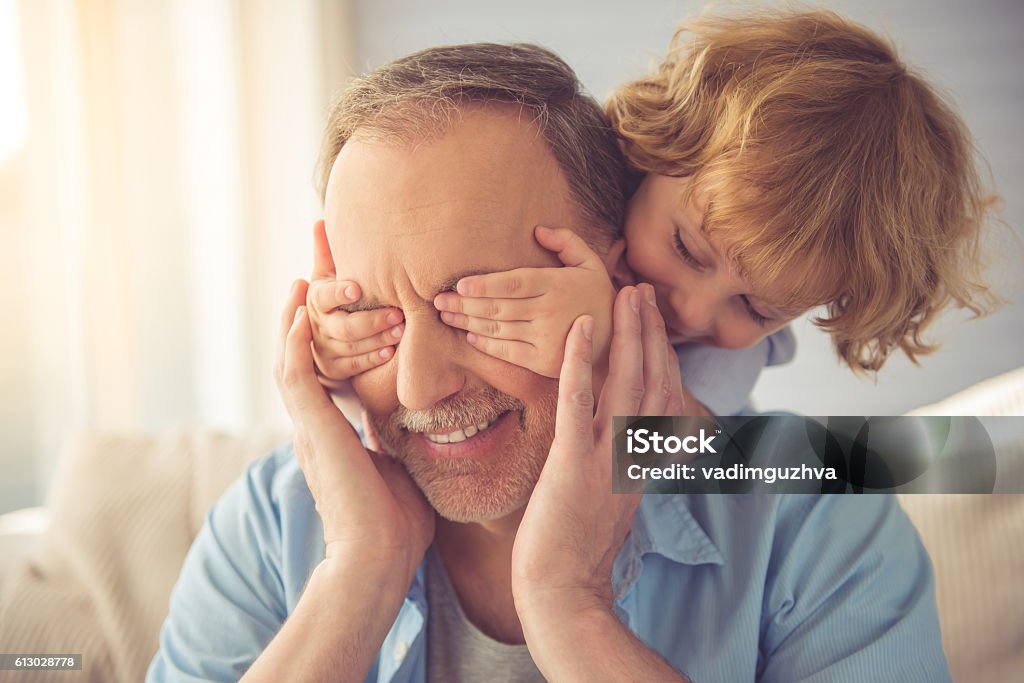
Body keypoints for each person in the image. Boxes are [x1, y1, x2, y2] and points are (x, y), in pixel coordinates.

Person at [146, 42, 950, 682]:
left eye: (479, 302)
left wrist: (569, 606)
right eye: (374, 312)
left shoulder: (818, 518)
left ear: (601, 261)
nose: (687, 313)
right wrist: (358, 570)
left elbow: (931, 456)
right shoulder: (270, 524)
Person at [311, 9, 998, 417]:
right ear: (651, 149)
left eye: (756, 309)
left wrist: (609, 355)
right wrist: (351, 341)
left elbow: (700, 462)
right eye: (690, 250)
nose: (694, 314)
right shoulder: (556, 195)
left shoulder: (726, 371)